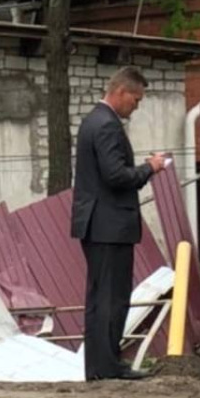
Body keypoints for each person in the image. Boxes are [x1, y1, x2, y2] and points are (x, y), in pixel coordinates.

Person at [71, 66, 168, 381]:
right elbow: (115, 176)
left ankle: (99, 366)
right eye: (136, 100)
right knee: (111, 298)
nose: (135, 107)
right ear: (122, 92)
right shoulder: (108, 126)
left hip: (96, 223)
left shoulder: (92, 121)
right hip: (109, 224)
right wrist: (149, 168)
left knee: (100, 298)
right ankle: (108, 366)